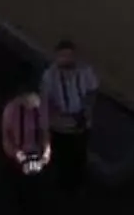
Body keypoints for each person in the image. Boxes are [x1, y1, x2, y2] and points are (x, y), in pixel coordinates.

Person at [40, 40, 99, 194]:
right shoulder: (50, 76)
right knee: (61, 156)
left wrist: (85, 111)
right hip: (60, 124)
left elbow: (92, 92)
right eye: (62, 57)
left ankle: (78, 183)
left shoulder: (85, 71)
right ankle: (63, 184)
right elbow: (46, 101)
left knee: (79, 155)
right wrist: (52, 121)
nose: (66, 60)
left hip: (80, 122)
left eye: (69, 56)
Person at [0, 88, 50, 187]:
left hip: (38, 154)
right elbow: (6, 137)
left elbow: (45, 133)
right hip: (17, 156)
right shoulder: (11, 110)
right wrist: (16, 153)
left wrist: (45, 155)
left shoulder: (41, 108)